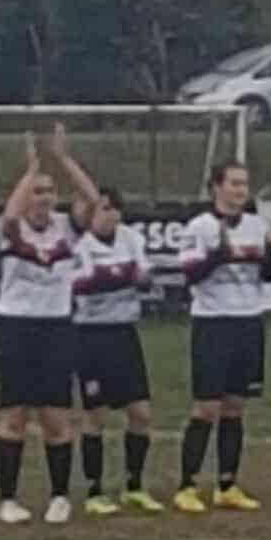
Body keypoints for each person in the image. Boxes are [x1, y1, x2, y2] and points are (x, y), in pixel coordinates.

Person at [0, 126, 98, 525]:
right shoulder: (11, 231)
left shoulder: (66, 229)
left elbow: (92, 200)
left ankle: (58, 496)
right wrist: (30, 170)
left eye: (49, 191)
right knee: (13, 416)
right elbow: (8, 218)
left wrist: (64, 160)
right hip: (15, 329)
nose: (44, 198)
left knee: (56, 418)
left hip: (56, 329)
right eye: (37, 191)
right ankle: (8, 499)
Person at [176, 162, 271, 514]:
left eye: (245, 184)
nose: (240, 190)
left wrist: (269, 250)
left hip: (249, 322)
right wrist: (219, 254)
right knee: (207, 407)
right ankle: (187, 484)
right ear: (216, 187)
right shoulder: (200, 227)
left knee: (236, 406)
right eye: (234, 184)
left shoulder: (255, 225)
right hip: (213, 323)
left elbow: (268, 275)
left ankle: (227, 483)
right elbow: (189, 274)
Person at [72, 185, 162, 515]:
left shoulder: (131, 238)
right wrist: (121, 276)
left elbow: (144, 278)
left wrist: (115, 276)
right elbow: (84, 284)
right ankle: (95, 491)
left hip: (125, 332)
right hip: (91, 335)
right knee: (96, 415)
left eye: (113, 209)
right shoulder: (80, 245)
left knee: (141, 413)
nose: (109, 216)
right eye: (102, 209)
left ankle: (134, 486)